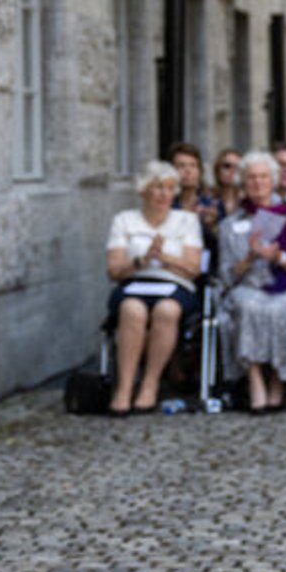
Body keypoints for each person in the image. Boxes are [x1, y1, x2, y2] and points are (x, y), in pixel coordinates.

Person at [102, 161, 205, 415]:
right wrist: (142, 260)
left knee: (166, 311)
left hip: (174, 285)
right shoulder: (124, 220)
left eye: (170, 189)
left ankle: (150, 384)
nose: (164, 195)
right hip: (135, 283)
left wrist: (165, 258)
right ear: (143, 191)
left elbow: (193, 268)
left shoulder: (187, 221)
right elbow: (113, 270)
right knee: (132, 310)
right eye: (157, 188)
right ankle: (124, 388)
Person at [218, 152, 286, 413]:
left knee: (276, 310)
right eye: (251, 178)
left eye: (263, 177)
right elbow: (226, 276)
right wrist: (250, 257)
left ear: (272, 181)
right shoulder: (231, 223)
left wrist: (280, 257)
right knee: (248, 307)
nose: (257, 183)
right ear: (242, 183)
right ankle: (254, 378)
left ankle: (277, 380)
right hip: (247, 286)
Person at [169, 141, 225, 237]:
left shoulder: (213, 204)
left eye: (193, 165)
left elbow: (225, 242)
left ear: (200, 171)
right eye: (181, 166)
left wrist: (213, 227)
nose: (188, 171)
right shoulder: (165, 205)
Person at [212, 148, 244, 215]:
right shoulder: (208, 201)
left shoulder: (251, 201)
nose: (233, 170)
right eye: (227, 166)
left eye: (238, 166)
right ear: (217, 170)